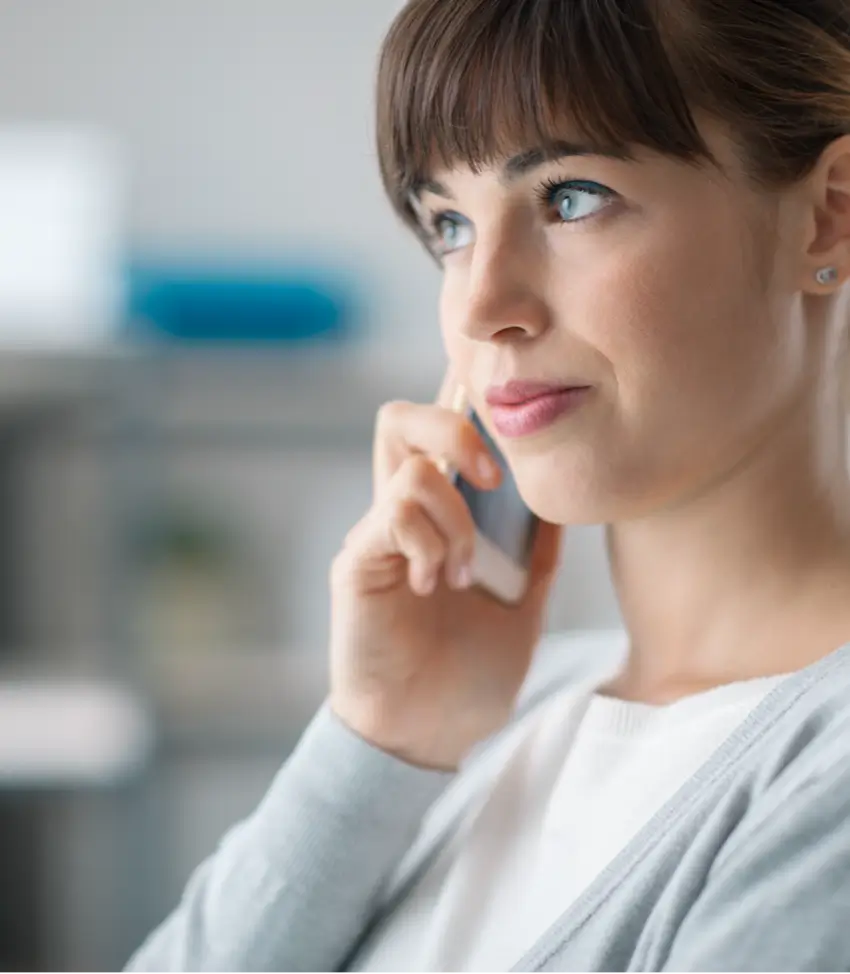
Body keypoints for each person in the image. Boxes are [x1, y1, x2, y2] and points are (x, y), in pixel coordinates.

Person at [125, 1, 850, 972]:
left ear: (829, 210)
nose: (480, 305)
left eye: (571, 197)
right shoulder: (497, 707)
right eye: (449, 223)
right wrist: (382, 737)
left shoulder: (822, 775)